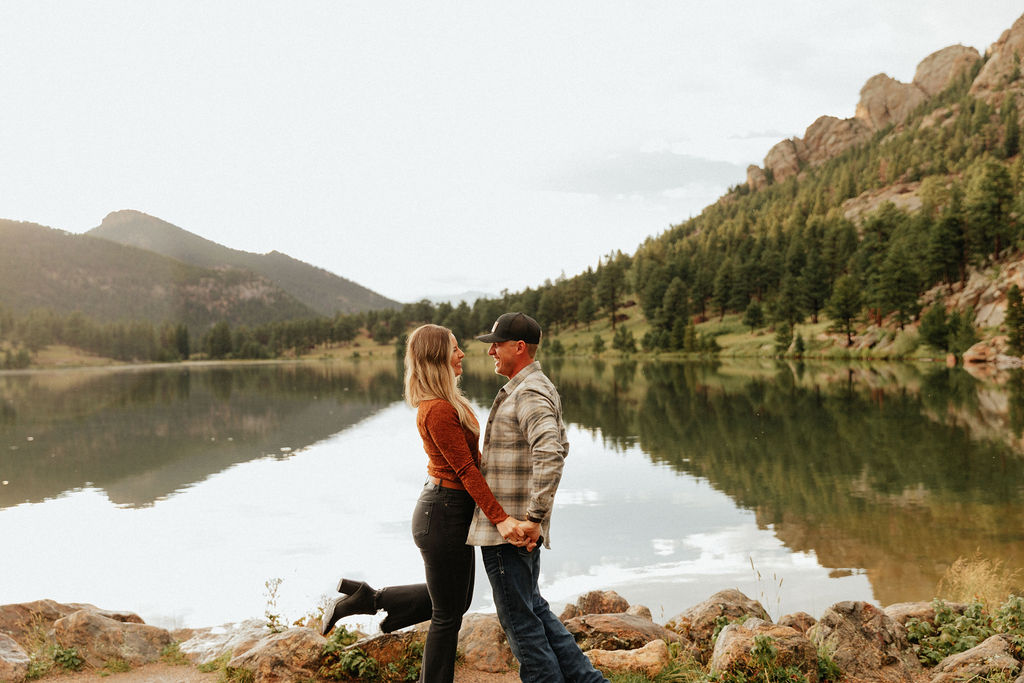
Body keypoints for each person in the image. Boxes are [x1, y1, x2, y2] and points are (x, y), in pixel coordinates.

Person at [319, 323, 533, 682]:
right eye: (454, 349)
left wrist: (508, 495)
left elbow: (474, 461)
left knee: (456, 603)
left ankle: (369, 599)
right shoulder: (436, 410)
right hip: (443, 514)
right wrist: (499, 519)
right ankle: (372, 604)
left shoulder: (450, 402)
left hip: (452, 512)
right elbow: (465, 469)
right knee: (447, 615)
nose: (462, 354)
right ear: (437, 358)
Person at [468, 312, 608, 683]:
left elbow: (550, 451)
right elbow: (561, 444)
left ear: (519, 347)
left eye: (496, 344)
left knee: (520, 622)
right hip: (519, 528)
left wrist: (532, 517)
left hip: (511, 531)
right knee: (534, 609)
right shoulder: (535, 386)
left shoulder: (528, 392)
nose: (490, 352)